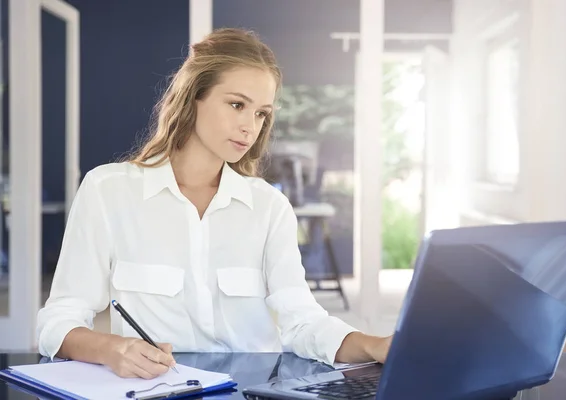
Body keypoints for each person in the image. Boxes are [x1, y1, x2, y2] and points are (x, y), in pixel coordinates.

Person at [36, 28, 392, 380]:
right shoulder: (108, 190)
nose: (249, 127)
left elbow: (303, 323)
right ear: (194, 98)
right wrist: (112, 350)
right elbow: (58, 321)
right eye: (237, 105)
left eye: (261, 113)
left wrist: (375, 345)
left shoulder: (269, 207)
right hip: (156, 391)